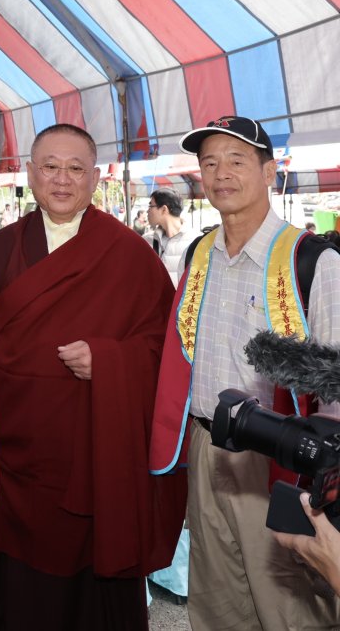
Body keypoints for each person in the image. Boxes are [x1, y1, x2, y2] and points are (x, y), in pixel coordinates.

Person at [0, 123, 184, 630]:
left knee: (98, 581)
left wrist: (111, 360)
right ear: (30, 173)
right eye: (50, 166)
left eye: (75, 168)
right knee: (30, 582)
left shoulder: (129, 253)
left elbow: (168, 349)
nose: (62, 180)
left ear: (95, 178)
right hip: (29, 451)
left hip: (100, 450)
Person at [149, 116, 340, 630]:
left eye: (236, 160)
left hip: (277, 459)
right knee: (216, 601)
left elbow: (337, 385)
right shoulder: (199, 253)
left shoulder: (312, 261)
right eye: (209, 163)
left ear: (268, 170)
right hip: (206, 446)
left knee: (289, 603)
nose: (221, 174)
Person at [143, 188, 201, 286]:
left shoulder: (195, 241)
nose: (147, 211)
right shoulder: (147, 240)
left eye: (150, 206)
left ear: (164, 209)